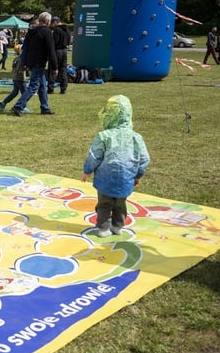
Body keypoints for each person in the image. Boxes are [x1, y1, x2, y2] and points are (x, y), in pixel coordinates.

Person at [81, 95, 151, 238]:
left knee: (104, 204)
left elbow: (94, 156)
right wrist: (138, 175)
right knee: (120, 203)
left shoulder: (104, 136)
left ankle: (103, 228)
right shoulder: (136, 137)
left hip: (105, 179)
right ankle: (118, 226)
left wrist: (87, 171)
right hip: (126, 178)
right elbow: (144, 159)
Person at [8, 12, 57, 116]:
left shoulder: (32, 31)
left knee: (42, 85)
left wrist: (24, 61)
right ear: (48, 21)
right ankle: (18, 106)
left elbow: (25, 47)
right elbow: (51, 50)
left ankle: (45, 107)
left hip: (30, 61)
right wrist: (55, 66)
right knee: (34, 86)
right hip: (39, 62)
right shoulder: (47, 32)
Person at [0, 45, 28, 112]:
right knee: (25, 93)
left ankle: (3, 103)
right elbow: (22, 68)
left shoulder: (16, 58)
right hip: (20, 78)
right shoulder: (23, 59)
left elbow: (13, 67)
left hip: (15, 77)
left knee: (15, 92)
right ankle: (23, 106)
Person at [48, 16, 70, 94]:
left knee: (53, 69)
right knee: (63, 69)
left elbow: (54, 42)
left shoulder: (57, 30)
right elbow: (69, 40)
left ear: (55, 22)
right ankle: (63, 88)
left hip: (57, 51)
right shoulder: (66, 29)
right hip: (64, 51)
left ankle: (50, 88)